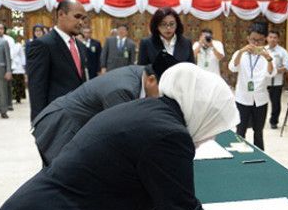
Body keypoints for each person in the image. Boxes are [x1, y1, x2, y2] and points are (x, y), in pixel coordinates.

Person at [0, 63, 269, 210]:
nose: (207, 140)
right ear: (203, 114)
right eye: (211, 130)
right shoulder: (170, 135)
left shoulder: (149, 110)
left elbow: (156, 202)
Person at [32, 51, 179, 167]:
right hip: (62, 126)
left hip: (75, 127)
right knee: (60, 183)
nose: (163, 97)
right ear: (152, 80)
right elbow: (120, 136)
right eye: (163, 91)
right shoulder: (123, 90)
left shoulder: (143, 74)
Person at [27, 0, 88, 121]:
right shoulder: (43, 44)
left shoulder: (80, 46)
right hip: (55, 116)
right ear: (61, 14)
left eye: (83, 18)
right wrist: (40, 121)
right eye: (77, 16)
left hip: (78, 115)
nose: (81, 22)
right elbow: (37, 87)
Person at [228, 22, 275, 150]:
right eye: (253, 39)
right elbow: (232, 67)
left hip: (260, 99)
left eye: (260, 40)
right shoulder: (240, 53)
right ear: (248, 38)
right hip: (242, 98)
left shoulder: (268, 54)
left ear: (265, 39)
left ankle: (260, 156)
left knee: (258, 131)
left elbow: (271, 73)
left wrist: (268, 58)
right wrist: (240, 52)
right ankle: (238, 155)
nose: (256, 43)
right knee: (240, 129)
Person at [265, 30, 288, 129]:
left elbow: (287, 67)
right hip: (263, 81)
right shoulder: (263, 50)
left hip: (276, 82)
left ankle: (274, 121)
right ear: (267, 38)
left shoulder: (282, 52)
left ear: (278, 39)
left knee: (275, 103)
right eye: (270, 37)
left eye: (275, 37)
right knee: (259, 101)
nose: (272, 39)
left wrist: (275, 71)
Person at [0, 23, 16, 111]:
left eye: (2, 28)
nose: (0, 30)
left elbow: (12, 53)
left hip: (7, 64)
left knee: (7, 85)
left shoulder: (9, 39)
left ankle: (9, 104)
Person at [10, 35, 26, 104]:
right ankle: (14, 97)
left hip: (19, 66)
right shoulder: (9, 45)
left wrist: (23, 65)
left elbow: (22, 55)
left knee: (19, 83)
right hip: (11, 65)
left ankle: (18, 97)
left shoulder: (19, 46)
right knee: (13, 83)